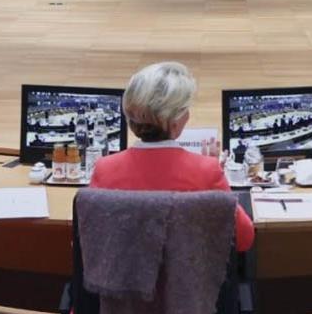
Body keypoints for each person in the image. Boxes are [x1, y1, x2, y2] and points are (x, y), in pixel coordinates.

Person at [89, 62, 254, 253]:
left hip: (120, 272)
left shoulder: (104, 169)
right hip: (191, 273)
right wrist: (216, 179)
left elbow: (89, 238)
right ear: (175, 122)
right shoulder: (207, 172)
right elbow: (243, 239)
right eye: (185, 109)